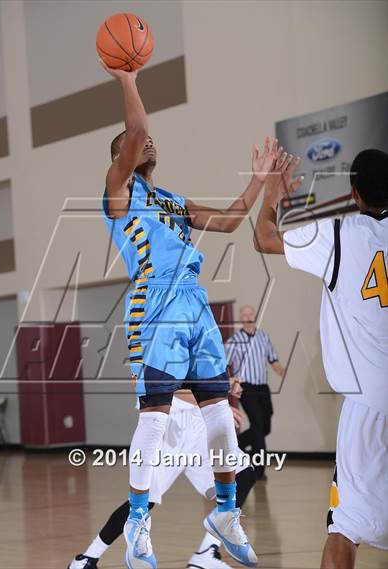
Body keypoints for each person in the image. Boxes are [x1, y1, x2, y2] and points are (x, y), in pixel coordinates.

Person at [99, 59, 279, 568]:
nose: (147, 144)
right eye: (134, 146)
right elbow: (135, 130)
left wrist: (262, 183)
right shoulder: (119, 193)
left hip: (194, 302)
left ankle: (224, 511)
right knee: (154, 417)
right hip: (155, 302)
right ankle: (138, 522)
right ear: (120, 159)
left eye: (150, 144)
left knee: (218, 410)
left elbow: (225, 222)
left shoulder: (172, 200)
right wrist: (128, 79)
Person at [253, 148, 388, 569]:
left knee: (343, 528)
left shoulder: (341, 234)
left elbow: (265, 238)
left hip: (369, 406)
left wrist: (271, 194)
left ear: (354, 193)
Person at [68, 389, 257, 569]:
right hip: (168, 420)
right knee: (143, 500)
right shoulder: (157, 356)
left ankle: (207, 552)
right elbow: (172, 387)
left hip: (196, 422)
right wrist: (217, 405)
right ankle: (87, 559)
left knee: (242, 473)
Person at [225, 305, 285, 480]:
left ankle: (236, 445)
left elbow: (272, 358)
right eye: (244, 314)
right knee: (258, 426)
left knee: (265, 426)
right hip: (246, 388)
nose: (248, 317)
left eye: (250, 314)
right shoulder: (234, 340)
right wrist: (232, 382)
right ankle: (258, 470)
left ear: (255, 316)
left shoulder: (264, 337)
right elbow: (223, 364)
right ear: (240, 318)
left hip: (262, 387)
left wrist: (280, 370)